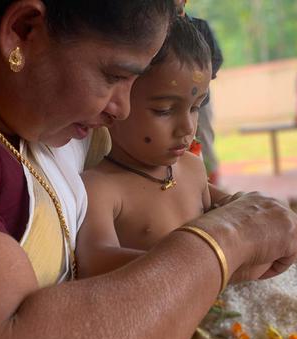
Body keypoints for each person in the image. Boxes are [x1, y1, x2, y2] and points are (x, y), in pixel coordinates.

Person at [0, 1, 297, 339]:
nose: (121, 108)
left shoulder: (35, 112)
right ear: (23, 30)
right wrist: (227, 239)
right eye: (114, 76)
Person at [77, 17, 227, 277]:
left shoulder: (193, 169)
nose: (187, 128)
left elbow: (224, 217)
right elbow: (94, 260)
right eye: (164, 110)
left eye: (195, 108)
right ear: (114, 104)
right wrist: (195, 265)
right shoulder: (101, 188)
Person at [177, 0, 223, 184]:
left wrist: (198, 79)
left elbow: (216, 59)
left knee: (204, 137)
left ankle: (212, 183)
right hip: (174, 100)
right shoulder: (163, 29)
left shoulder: (200, 26)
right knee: (179, 139)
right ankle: (184, 183)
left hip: (200, 100)